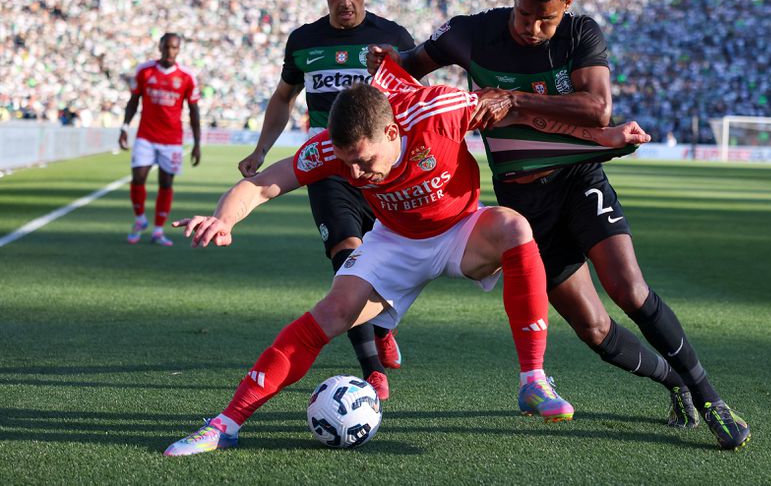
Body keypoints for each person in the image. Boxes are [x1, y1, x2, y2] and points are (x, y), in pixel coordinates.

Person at [162, 59, 647, 456]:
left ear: (393, 131)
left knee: (514, 228)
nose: (356, 175)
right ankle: (225, 424)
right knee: (331, 313)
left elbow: (521, 117)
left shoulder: (441, 110)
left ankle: (533, 380)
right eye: (347, 163)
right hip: (393, 241)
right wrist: (224, 219)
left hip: (460, 230)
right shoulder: (330, 149)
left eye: (363, 161)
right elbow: (264, 182)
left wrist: (601, 138)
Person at [368, 0, 750, 451]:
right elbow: (408, 67)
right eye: (525, 14)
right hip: (524, 208)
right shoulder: (469, 33)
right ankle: (672, 381)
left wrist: (513, 98)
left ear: (567, 3)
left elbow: (598, 109)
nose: (533, 28)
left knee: (629, 289)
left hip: (578, 180)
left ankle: (709, 397)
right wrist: (387, 63)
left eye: (546, 18)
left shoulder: (580, 33)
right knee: (594, 330)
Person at [236, 0, 416, 400]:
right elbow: (284, 97)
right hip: (328, 166)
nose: (345, 2)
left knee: (391, 265)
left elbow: (416, 99)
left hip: (382, 169)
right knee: (348, 259)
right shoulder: (304, 41)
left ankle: (380, 326)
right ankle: (372, 371)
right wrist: (261, 150)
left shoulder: (393, 37)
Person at [119, 33, 201, 247]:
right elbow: (133, 101)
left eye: (174, 48)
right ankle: (140, 219)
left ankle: (158, 230)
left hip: (172, 140)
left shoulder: (187, 76)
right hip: (146, 136)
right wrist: (124, 127)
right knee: (138, 178)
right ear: (160, 47)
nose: (170, 52)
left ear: (179, 50)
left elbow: (194, 111)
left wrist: (197, 144)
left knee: (166, 183)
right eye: (167, 47)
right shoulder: (144, 70)